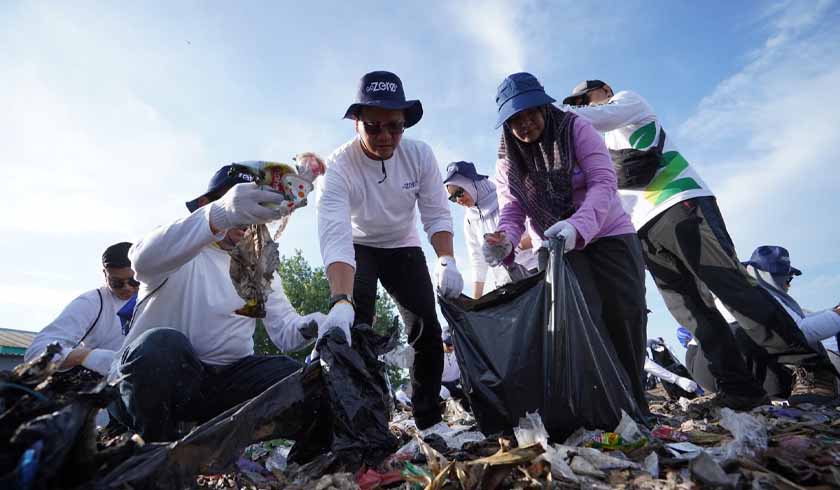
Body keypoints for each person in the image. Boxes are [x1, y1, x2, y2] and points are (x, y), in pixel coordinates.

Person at [561, 80, 836, 406]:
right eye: (575, 104)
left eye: (584, 99)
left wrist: (550, 113)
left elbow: (591, 120)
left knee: (731, 287)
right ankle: (738, 388)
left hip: (680, 202)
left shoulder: (627, 103)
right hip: (643, 227)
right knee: (690, 310)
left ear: (603, 90)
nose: (581, 107)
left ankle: (810, 369)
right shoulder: (598, 142)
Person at [112, 164, 328, 442]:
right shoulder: (182, 248)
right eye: (240, 204)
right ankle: (156, 449)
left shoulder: (257, 266)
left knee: (295, 377)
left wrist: (318, 324)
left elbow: (286, 332)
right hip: (152, 386)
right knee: (160, 347)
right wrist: (222, 214)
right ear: (205, 203)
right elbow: (141, 259)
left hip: (218, 389)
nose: (244, 219)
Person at [484, 72, 649, 412]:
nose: (525, 123)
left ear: (544, 108)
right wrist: (504, 242)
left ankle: (636, 404)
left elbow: (603, 182)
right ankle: (601, 407)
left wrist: (578, 225)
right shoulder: (506, 163)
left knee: (625, 315)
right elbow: (512, 212)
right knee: (579, 321)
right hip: (557, 247)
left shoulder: (575, 129)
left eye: (531, 113)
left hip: (608, 233)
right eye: (515, 119)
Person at [317, 71, 462, 435]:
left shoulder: (419, 155)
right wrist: (340, 299)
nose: (385, 137)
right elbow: (334, 234)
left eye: (395, 127)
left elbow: (435, 212)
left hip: (402, 243)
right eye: (373, 126)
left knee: (426, 326)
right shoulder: (338, 166)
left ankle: (428, 419)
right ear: (356, 123)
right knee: (358, 327)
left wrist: (446, 259)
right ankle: (366, 421)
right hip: (358, 244)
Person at [686, 246, 840, 396]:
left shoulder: (737, 288)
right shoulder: (757, 294)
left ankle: (776, 393)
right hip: (718, 367)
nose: (789, 285)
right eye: (788, 278)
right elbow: (800, 332)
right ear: (771, 277)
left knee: (770, 334)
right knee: (794, 338)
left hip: (703, 366)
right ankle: (815, 388)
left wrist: (833, 312)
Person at [25, 242, 138, 376]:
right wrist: (85, 356)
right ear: (105, 274)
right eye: (116, 283)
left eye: (134, 281)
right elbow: (36, 352)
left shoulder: (160, 298)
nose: (127, 288)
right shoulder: (91, 302)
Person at [443, 161, 537, 298]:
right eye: (452, 198)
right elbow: (478, 261)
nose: (458, 200)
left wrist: (512, 246)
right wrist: (475, 302)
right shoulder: (469, 221)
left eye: (459, 192)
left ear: (472, 183)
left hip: (532, 272)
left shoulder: (506, 197)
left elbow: (539, 233)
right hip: (505, 285)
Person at [441, 335, 470, 410]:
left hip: (457, 383)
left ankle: (466, 413)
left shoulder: (458, 352)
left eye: (452, 344)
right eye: (448, 345)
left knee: (468, 394)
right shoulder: (437, 354)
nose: (451, 348)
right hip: (442, 385)